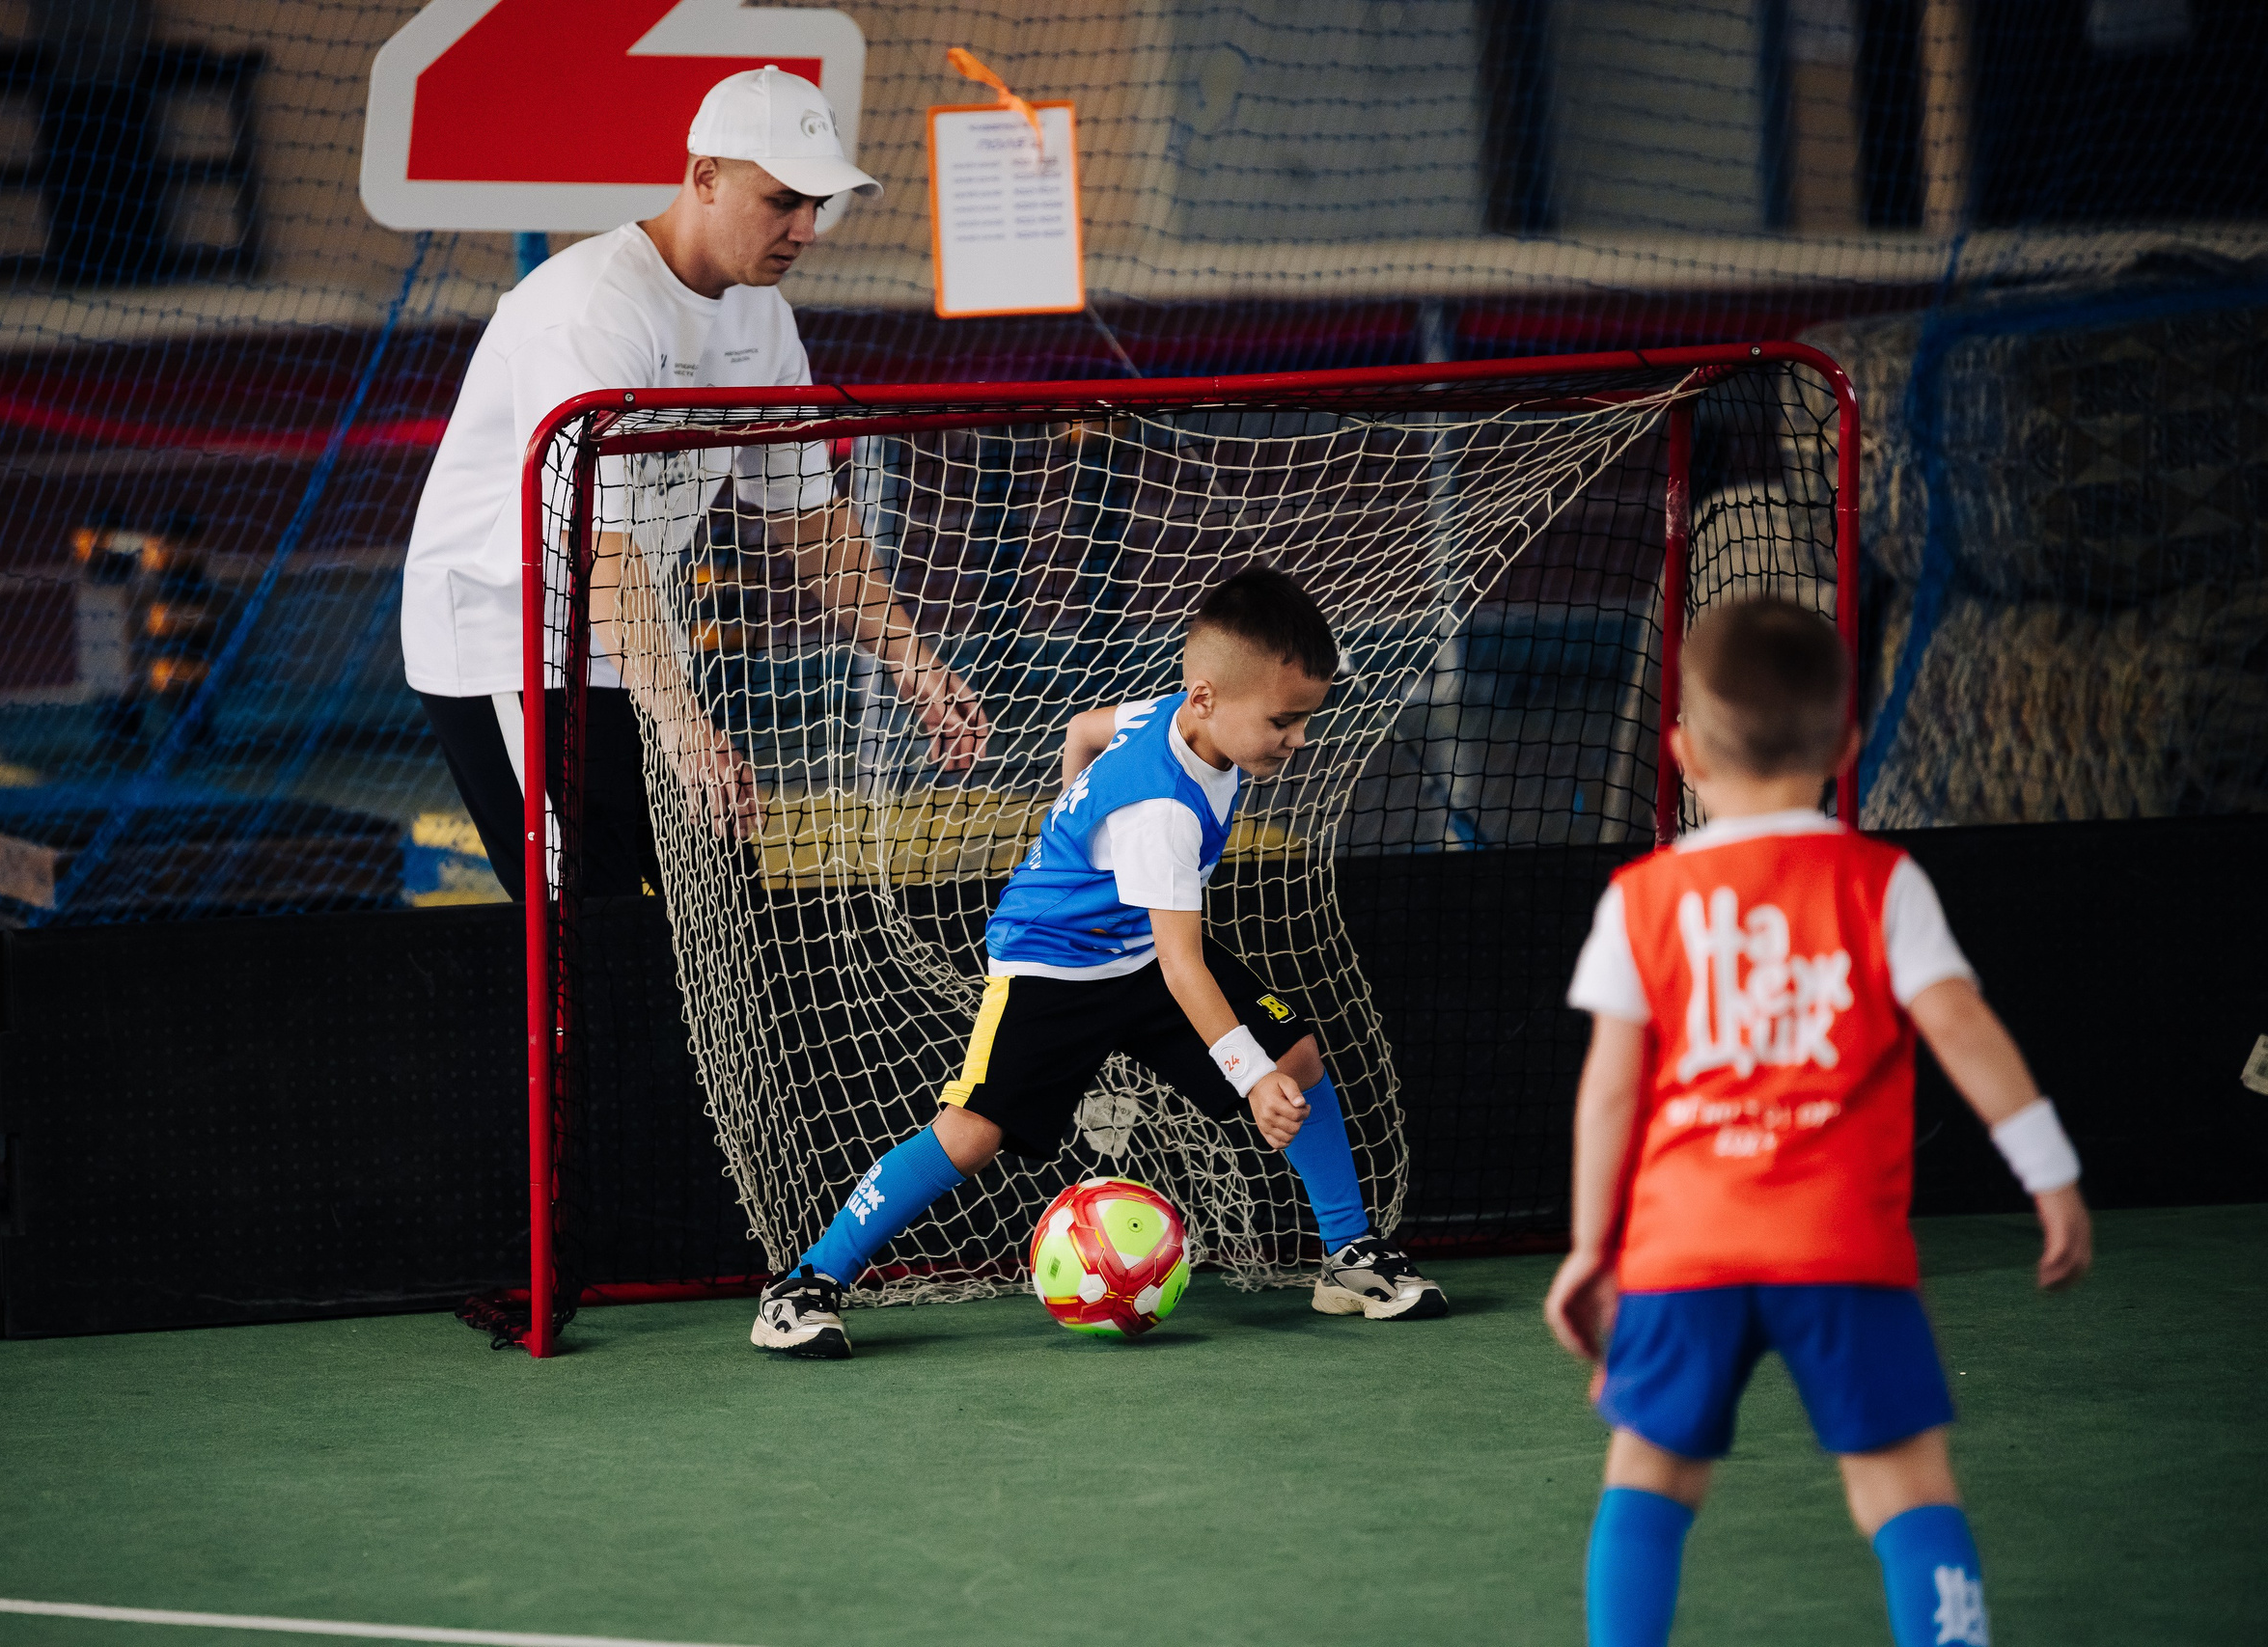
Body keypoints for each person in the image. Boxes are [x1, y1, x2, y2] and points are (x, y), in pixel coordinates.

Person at [1545, 597, 2095, 1647]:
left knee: (1648, 1486)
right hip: (1842, 1249)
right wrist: (2050, 1172)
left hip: (1682, 1253)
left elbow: (1608, 1089)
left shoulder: (1640, 897)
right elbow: (1962, 1028)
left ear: (1682, 754)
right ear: (1847, 744)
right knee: (1904, 1488)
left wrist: (1587, 1247)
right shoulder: (1883, 884)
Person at [751, 567, 1450, 1358]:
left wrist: (1074, 825)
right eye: (1283, 722)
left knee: (1297, 1052)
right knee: (972, 1132)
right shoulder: (1161, 812)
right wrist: (1250, 1080)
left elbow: (1083, 728)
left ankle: (1348, 1255)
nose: (1296, 740)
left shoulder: (1172, 712)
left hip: (1139, 945)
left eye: (1302, 722)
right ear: (1209, 695)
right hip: (1054, 964)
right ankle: (804, 1284)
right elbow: (1185, 969)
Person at [401, 66, 986, 900]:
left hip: (624, 626)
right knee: (587, 927)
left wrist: (908, 656)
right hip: (510, 634)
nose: (806, 230)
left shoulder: (761, 314)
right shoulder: (594, 315)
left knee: (719, 901)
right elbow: (597, 548)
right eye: (782, 201)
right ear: (704, 178)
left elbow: (808, 515)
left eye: (816, 206)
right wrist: (683, 726)